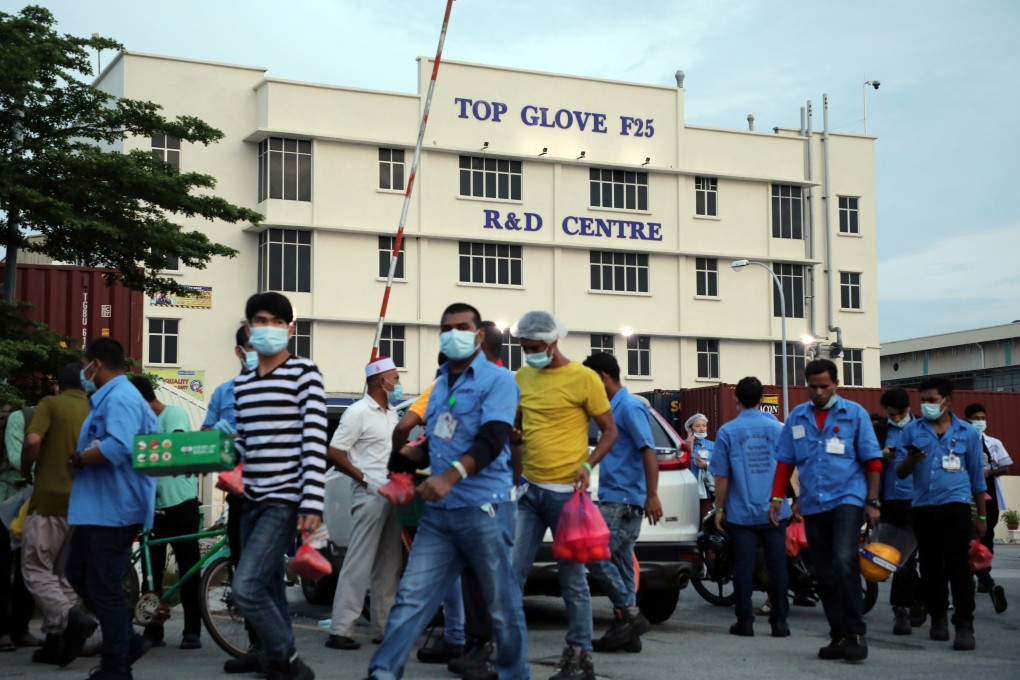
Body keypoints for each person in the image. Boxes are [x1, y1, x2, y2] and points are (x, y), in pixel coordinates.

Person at [367, 302, 528, 680]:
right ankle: (382, 674)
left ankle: (515, 675)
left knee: (502, 607)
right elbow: (441, 437)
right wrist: (408, 457)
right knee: (410, 600)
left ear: (478, 334)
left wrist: (450, 477)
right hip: (440, 515)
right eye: (448, 328)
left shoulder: (500, 381)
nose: (455, 333)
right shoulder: (440, 385)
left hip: (484, 509)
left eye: (463, 326)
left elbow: (492, 440)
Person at [511, 310, 617, 680]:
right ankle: (504, 652)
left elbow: (608, 431)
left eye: (535, 347)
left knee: (573, 581)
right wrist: (515, 472)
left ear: (553, 342)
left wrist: (588, 466)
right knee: (512, 574)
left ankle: (579, 657)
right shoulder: (522, 376)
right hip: (530, 493)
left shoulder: (584, 379)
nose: (529, 353)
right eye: (524, 347)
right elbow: (519, 429)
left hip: (567, 498)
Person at [232, 292, 327, 680]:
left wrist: (312, 504)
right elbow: (243, 444)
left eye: (274, 321)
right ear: (249, 329)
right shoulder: (243, 385)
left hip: (285, 499)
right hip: (250, 499)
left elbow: (314, 440)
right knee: (268, 588)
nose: (266, 328)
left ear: (290, 329)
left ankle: (288, 662)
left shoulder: (305, 373)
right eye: (259, 320)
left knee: (246, 587)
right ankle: (276, 663)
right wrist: (208, 454)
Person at [769, 359, 882, 663]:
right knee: (824, 573)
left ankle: (856, 633)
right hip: (813, 503)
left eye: (824, 386)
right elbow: (784, 462)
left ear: (836, 385)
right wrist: (776, 499)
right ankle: (839, 636)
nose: (818, 392)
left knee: (844, 561)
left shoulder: (854, 414)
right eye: (812, 386)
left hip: (848, 498)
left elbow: (872, 461)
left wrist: (872, 502)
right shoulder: (796, 418)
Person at [64, 337, 159, 679]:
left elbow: (117, 447)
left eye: (84, 364)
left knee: (103, 587)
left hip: (115, 508)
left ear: (97, 365)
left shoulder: (120, 398)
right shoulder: (108, 398)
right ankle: (127, 642)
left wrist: (79, 458)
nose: (82, 372)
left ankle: (116, 665)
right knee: (78, 574)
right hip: (97, 508)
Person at [894, 379, 986, 652]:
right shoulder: (912, 431)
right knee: (931, 567)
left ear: (947, 400)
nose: (926, 405)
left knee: (959, 566)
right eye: (923, 400)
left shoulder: (967, 433)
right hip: (923, 507)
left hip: (955, 505)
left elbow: (978, 478)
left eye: (932, 400)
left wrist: (981, 516)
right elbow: (899, 472)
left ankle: (964, 624)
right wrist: (910, 461)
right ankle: (938, 619)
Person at [581, 352, 662, 653]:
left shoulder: (628, 406)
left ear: (601, 377)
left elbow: (648, 450)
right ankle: (629, 634)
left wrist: (651, 494)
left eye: (590, 382)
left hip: (624, 501)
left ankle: (630, 614)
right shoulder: (613, 408)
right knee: (623, 564)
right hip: (618, 499)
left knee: (593, 555)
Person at [326, 357, 403, 650]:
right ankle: (340, 630)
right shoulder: (357, 412)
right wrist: (365, 480)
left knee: (389, 565)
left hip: (392, 494)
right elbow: (335, 452)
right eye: (395, 378)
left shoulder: (391, 413)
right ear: (380, 381)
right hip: (370, 494)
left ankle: (383, 629)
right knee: (359, 562)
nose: (398, 383)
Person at [709, 376, 791, 638]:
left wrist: (719, 509)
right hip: (775, 511)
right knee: (778, 567)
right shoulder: (779, 428)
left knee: (743, 568)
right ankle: (780, 623)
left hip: (742, 514)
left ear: (737, 400)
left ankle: (745, 622)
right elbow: (792, 468)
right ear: (762, 398)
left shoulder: (727, 432)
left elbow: (721, 476)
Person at [19, 364, 89, 664]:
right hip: (83, 504)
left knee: (35, 569)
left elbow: (33, 441)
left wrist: (26, 469)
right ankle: (55, 643)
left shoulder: (51, 404)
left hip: (49, 501)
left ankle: (70, 617)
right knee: (63, 575)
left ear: (58, 386)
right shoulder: (93, 407)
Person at [201, 325, 261, 674]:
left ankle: (275, 649)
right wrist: (215, 435)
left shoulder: (282, 388)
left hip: (272, 491)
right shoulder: (224, 393)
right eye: (251, 345)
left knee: (263, 571)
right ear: (239, 351)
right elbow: (207, 437)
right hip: (238, 493)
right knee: (243, 569)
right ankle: (258, 644)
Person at [128, 376, 203, 650]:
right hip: (151, 508)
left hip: (180, 504)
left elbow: (171, 448)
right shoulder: (141, 424)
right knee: (151, 571)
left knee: (188, 569)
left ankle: (192, 631)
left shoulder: (175, 414)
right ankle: (153, 630)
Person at [877, 388, 924, 634]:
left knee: (904, 557)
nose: (897, 419)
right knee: (893, 557)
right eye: (892, 415)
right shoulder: (879, 429)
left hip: (917, 501)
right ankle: (920, 599)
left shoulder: (921, 428)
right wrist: (880, 455)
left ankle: (901, 609)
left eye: (901, 414)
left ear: (909, 408)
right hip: (888, 501)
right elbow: (864, 458)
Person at [964, 402, 1011, 614]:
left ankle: (985, 577)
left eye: (983, 417)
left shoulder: (993, 442)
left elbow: (1006, 466)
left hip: (988, 495)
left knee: (986, 535)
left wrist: (988, 473)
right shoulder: (962, 441)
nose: (980, 421)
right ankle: (978, 577)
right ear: (967, 420)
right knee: (969, 539)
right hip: (966, 495)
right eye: (976, 418)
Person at [1, 404, 38, 652]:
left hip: (32, 503)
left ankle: (21, 628)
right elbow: (16, 458)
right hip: (6, 502)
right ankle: (2, 632)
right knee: (3, 568)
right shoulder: (19, 418)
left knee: (29, 568)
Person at [686, 413, 715, 520]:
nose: (702, 429)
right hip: (689, 489)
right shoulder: (682, 445)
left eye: (704, 425)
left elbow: (719, 465)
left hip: (707, 491)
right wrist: (689, 447)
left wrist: (706, 465)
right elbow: (682, 465)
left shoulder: (713, 445)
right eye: (697, 426)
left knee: (705, 519)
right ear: (690, 429)